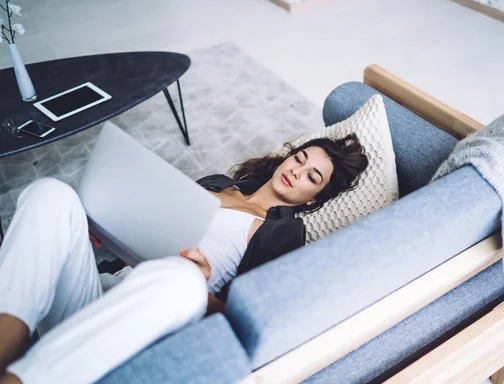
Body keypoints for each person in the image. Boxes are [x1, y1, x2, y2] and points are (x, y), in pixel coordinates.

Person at [0, 134, 368, 384]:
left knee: (183, 278)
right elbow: (155, 223)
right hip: (105, 289)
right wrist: (109, 221)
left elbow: (256, 319)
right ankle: (6, 341)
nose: (295, 170)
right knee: (52, 193)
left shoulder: (282, 233)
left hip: (154, 314)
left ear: (312, 200)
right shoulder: (218, 182)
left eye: (311, 176)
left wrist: (202, 285)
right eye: (299, 158)